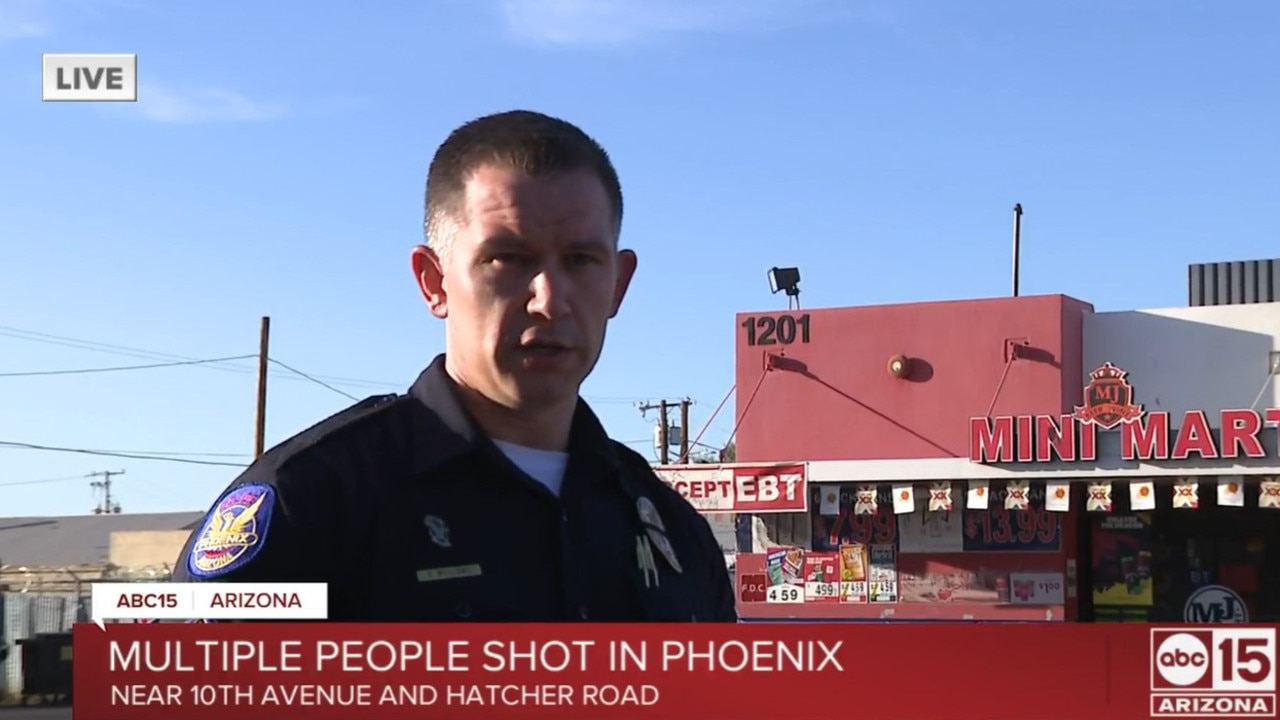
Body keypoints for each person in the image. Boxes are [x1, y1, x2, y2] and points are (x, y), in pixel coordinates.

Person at [171, 110, 737, 623]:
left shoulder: (671, 530)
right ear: (433, 281)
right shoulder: (312, 504)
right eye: (507, 259)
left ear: (618, 283)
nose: (549, 299)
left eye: (581, 261)